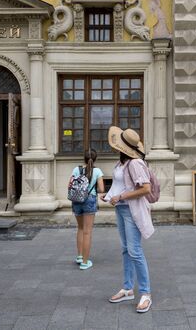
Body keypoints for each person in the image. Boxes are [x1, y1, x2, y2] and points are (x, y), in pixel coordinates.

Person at [101, 126, 154, 313]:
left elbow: (145, 189)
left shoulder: (135, 163)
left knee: (135, 251)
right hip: (122, 210)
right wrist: (109, 196)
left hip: (132, 211)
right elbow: (120, 185)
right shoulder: (122, 163)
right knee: (126, 250)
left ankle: (146, 294)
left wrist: (121, 197)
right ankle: (128, 289)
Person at [70, 148, 104, 270]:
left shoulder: (76, 169)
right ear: (95, 159)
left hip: (76, 200)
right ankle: (85, 262)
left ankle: (79, 256)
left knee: (80, 228)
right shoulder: (97, 171)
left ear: (83, 158)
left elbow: (70, 184)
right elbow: (101, 189)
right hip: (89, 199)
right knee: (87, 232)